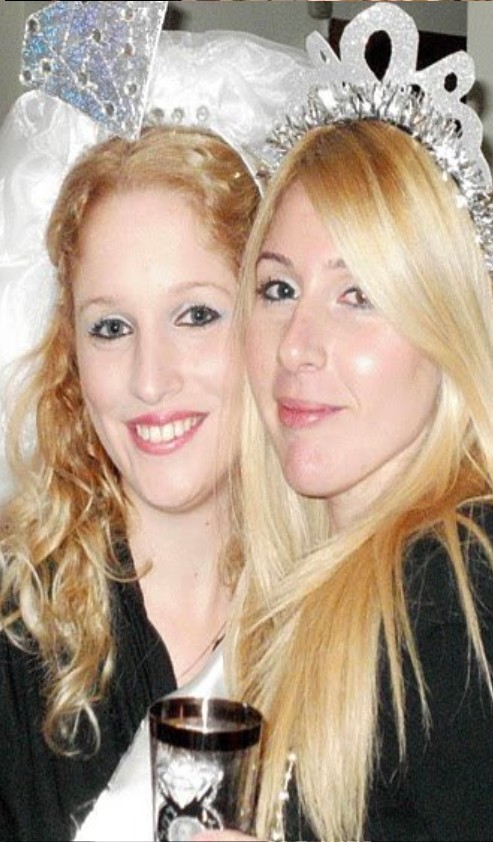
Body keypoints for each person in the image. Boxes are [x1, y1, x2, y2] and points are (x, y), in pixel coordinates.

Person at [201, 5, 493, 841]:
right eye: (278, 288)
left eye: (358, 295)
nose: (296, 345)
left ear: (453, 334)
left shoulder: (487, 621)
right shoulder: (334, 595)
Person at [0, 5, 306, 840]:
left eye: (196, 315)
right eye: (110, 327)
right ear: (69, 355)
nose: (149, 377)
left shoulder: (358, 618)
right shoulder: (15, 628)